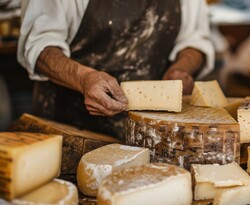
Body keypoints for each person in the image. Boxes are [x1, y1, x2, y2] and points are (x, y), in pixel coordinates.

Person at [18, 0, 214, 140]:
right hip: (71, 132)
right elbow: (39, 46)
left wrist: (181, 68)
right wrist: (84, 78)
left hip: (152, 136)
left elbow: (195, 40)